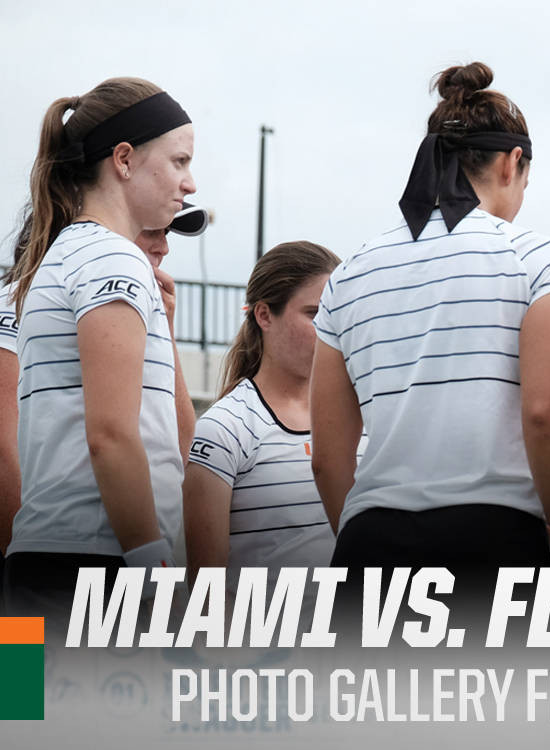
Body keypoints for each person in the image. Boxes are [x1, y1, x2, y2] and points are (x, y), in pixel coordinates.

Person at [310, 62, 550, 615]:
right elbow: (547, 414)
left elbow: (327, 457)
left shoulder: (351, 271)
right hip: (492, 537)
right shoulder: (537, 256)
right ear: (513, 164)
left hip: (369, 546)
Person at [3, 78, 195, 618]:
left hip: (34, 570)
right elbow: (111, 435)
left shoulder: (57, 257)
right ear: (125, 160)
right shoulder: (114, 259)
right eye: (179, 161)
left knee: (20, 703)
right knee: (134, 709)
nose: (190, 182)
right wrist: (154, 570)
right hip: (98, 574)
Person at [183, 241, 343, 589]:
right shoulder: (223, 430)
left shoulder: (361, 421)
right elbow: (204, 591)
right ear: (264, 315)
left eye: (338, 312)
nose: (332, 328)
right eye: (315, 314)